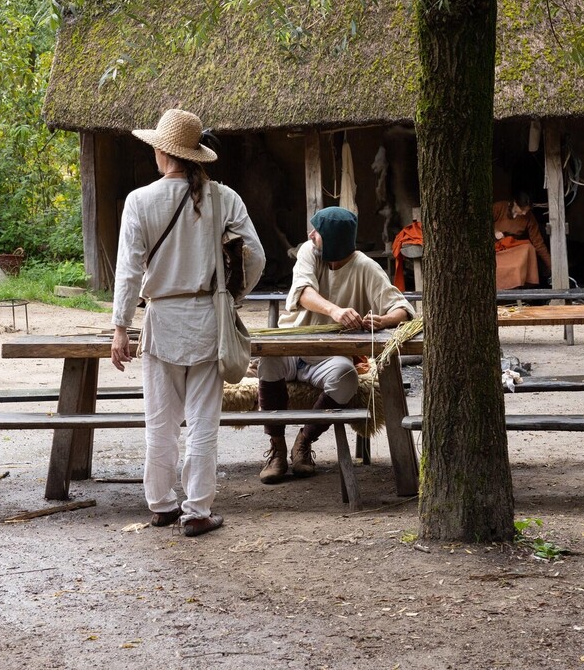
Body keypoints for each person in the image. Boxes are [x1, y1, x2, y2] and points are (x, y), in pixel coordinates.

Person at [110, 109, 265, 537]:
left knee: (160, 421)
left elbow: (128, 270)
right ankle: (196, 510)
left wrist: (120, 326)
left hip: (161, 319)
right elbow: (256, 256)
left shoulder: (139, 201)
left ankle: (161, 505)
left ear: (162, 151)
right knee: (202, 421)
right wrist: (231, 297)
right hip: (207, 321)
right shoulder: (224, 198)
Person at [256, 206, 415, 483]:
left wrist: (383, 320)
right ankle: (278, 449)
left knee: (346, 377)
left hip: (329, 357)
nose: (310, 235)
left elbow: (403, 309)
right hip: (294, 346)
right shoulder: (309, 252)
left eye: (316, 232)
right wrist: (335, 311)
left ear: (331, 242)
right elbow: (303, 293)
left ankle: (304, 442)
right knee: (268, 362)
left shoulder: (366, 267)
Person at [492, 191, 552, 290]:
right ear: (515, 203)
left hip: (513, 250)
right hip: (496, 247)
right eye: (522, 209)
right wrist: (494, 231)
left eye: (527, 210)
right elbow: (481, 222)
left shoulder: (529, 217)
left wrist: (551, 265)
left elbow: (538, 243)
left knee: (529, 247)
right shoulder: (499, 207)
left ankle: (518, 282)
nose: (524, 213)